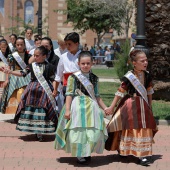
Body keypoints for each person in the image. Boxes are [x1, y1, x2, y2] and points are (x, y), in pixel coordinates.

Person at [104, 50, 158, 166]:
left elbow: (149, 92)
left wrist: (150, 106)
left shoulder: (147, 75)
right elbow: (120, 91)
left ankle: (143, 154)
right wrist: (112, 107)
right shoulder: (129, 77)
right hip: (131, 104)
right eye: (142, 61)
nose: (145, 62)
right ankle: (126, 149)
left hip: (143, 105)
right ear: (134, 63)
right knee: (130, 127)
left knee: (144, 128)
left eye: (146, 60)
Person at [54, 51, 108, 164]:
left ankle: (86, 151)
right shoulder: (73, 78)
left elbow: (97, 96)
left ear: (92, 63)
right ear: (78, 63)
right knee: (78, 130)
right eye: (83, 63)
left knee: (91, 130)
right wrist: (67, 110)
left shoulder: (94, 78)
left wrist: (105, 108)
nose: (85, 65)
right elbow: (69, 94)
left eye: (88, 63)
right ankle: (80, 153)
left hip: (91, 107)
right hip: (77, 106)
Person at [0, 46, 58, 141]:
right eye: (34, 55)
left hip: (44, 90)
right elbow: (23, 73)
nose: (35, 57)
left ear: (44, 56)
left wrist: (55, 90)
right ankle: (35, 130)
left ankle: (41, 131)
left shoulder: (50, 67)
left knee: (44, 108)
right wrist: (10, 72)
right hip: (32, 90)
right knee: (31, 108)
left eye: (37, 55)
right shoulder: (31, 66)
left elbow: (53, 79)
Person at [0, 37, 31, 114]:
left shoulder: (29, 55)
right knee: (12, 95)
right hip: (14, 77)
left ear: (24, 45)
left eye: (21, 44)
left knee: (22, 93)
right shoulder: (11, 56)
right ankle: (15, 113)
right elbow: (9, 67)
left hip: (25, 77)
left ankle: (22, 112)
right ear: (15, 45)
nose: (20, 46)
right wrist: (7, 79)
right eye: (18, 45)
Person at [53, 32, 81, 99]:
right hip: (67, 87)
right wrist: (55, 89)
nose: (67, 46)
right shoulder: (63, 57)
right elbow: (58, 75)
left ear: (77, 44)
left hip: (80, 87)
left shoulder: (83, 56)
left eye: (69, 44)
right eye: (66, 44)